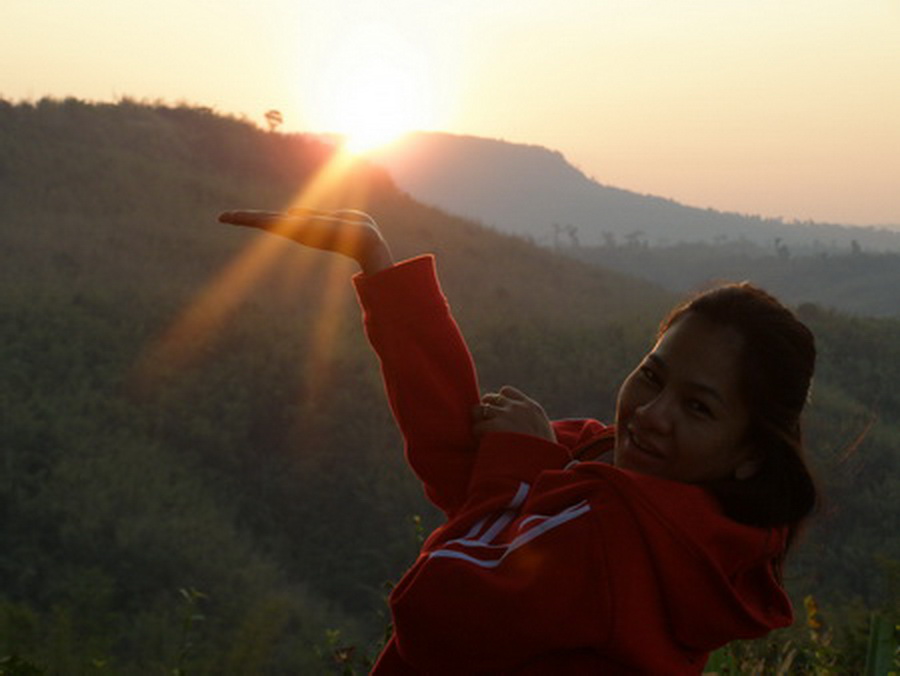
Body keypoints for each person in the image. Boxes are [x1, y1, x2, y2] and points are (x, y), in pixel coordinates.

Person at [218, 207, 818, 675]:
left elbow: (437, 613)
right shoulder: (617, 474)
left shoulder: (613, 536)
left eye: (698, 407)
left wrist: (523, 470)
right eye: (652, 376)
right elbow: (465, 467)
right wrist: (379, 264)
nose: (651, 415)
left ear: (751, 454)